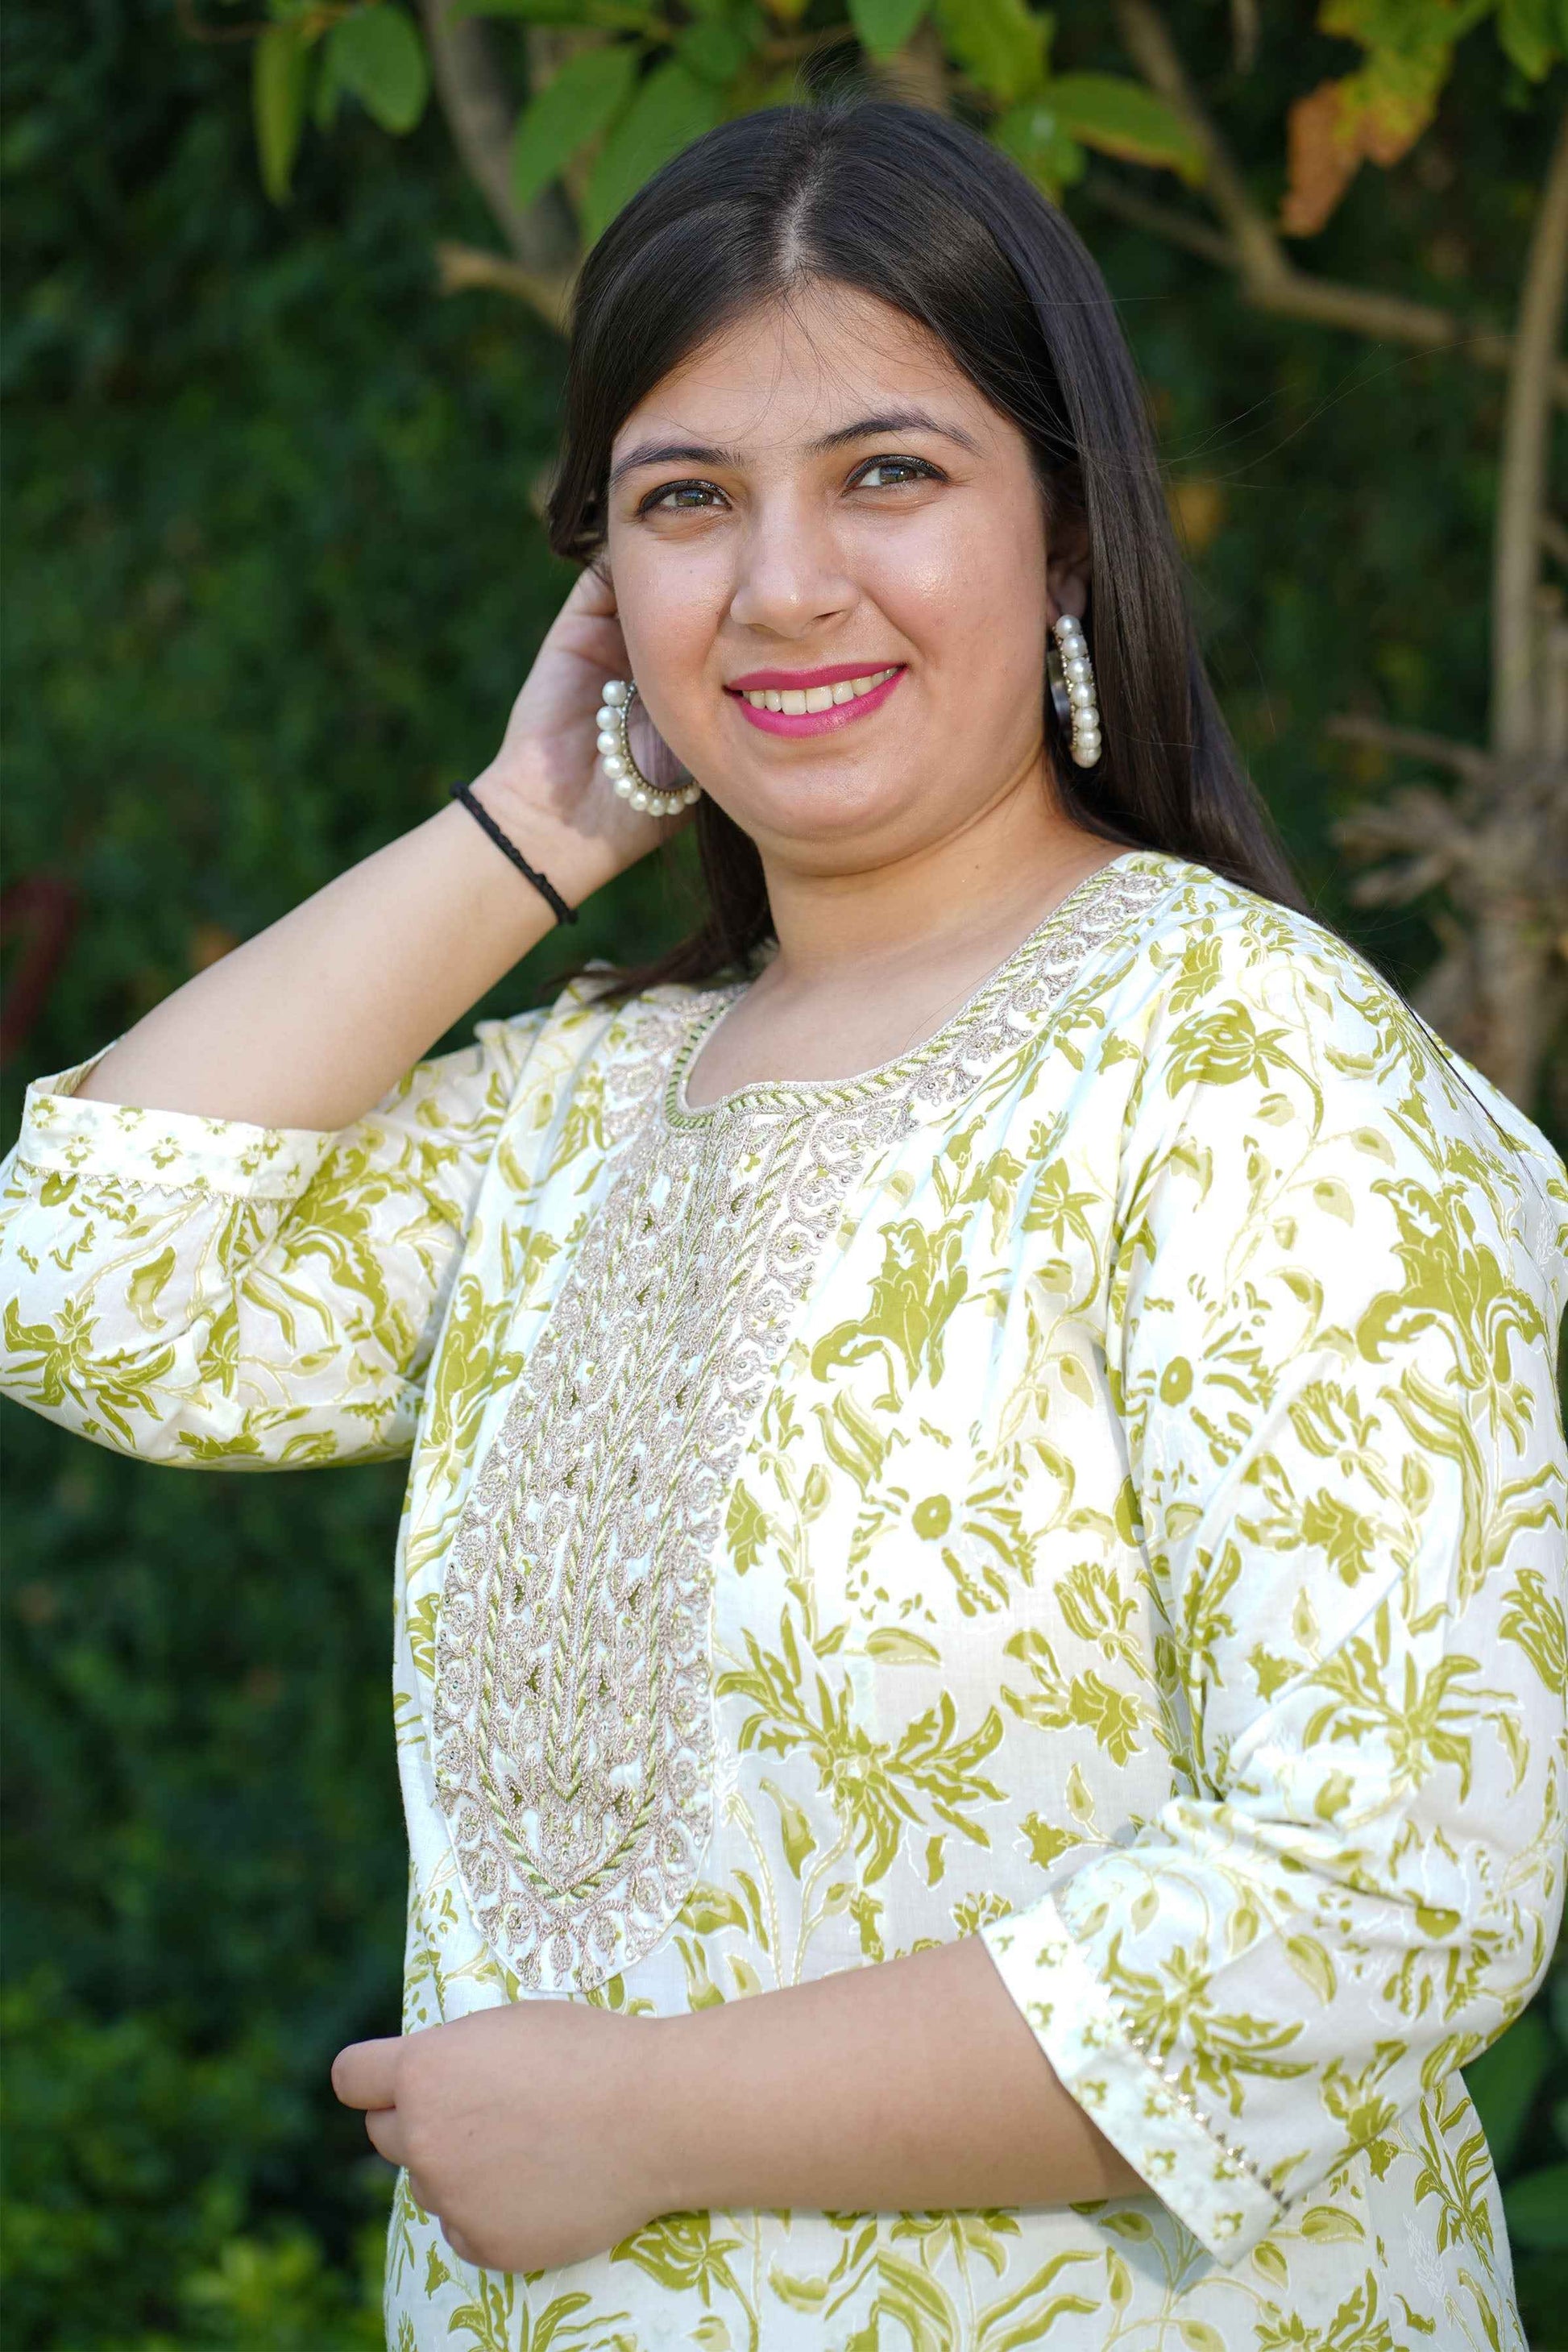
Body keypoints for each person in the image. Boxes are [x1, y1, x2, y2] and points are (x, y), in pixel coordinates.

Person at [2, 91, 1564, 2352]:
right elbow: (87, 1284)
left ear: (1064, 536)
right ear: (599, 583)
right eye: (685, 501)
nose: (782, 585)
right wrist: (535, 820)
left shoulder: (1248, 1067)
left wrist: (649, 2119)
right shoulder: (577, 1108)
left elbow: (1394, 1887)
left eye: (887, 474)